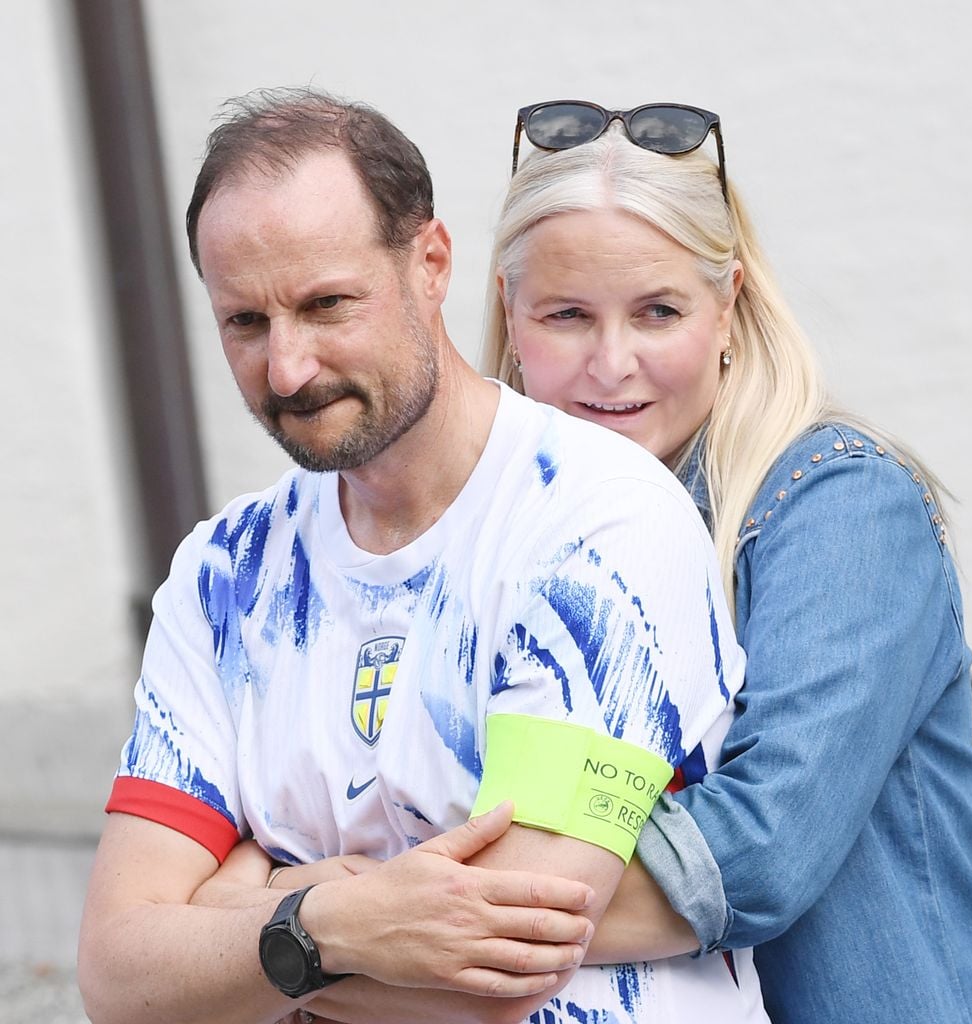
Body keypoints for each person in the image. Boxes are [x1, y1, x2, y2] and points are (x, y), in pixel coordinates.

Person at [77, 88, 771, 1024]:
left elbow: (506, 962)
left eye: (328, 305)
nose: (288, 368)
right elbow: (122, 979)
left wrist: (245, 916)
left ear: (431, 264)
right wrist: (336, 922)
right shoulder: (221, 575)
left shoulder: (600, 519)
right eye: (245, 322)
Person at [482, 100, 972, 1023]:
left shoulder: (838, 505)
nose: (612, 365)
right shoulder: (497, 532)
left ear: (729, 303)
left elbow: (760, 850)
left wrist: (405, 914)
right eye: (568, 315)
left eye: (658, 311)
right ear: (510, 311)